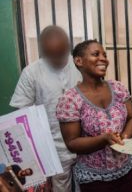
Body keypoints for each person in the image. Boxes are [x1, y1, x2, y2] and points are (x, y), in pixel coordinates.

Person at [56, 40, 132, 192]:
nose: (103, 59)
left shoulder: (118, 88)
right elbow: (72, 143)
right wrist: (104, 139)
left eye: (104, 55)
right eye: (96, 54)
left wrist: (125, 137)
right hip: (95, 179)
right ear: (78, 61)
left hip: (127, 169)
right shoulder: (70, 100)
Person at [10, 25, 82, 192]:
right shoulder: (31, 73)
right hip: (53, 147)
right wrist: (35, 150)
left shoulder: (80, 64)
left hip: (83, 142)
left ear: (69, 48)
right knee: (60, 187)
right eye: (52, 56)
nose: (58, 61)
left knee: (84, 184)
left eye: (62, 55)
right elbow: (22, 114)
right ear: (42, 52)